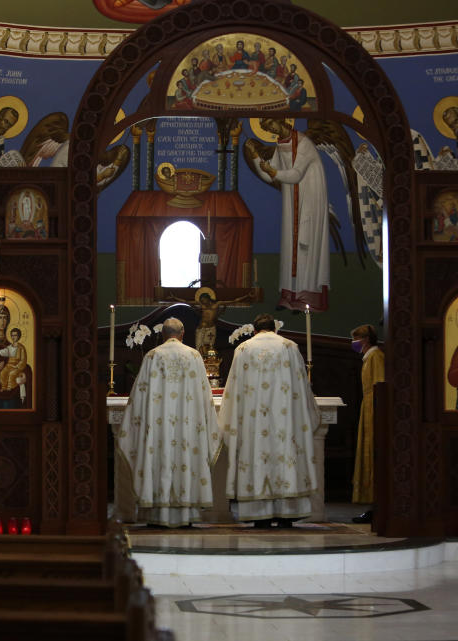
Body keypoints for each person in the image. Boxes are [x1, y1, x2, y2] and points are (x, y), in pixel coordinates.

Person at [116, 318, 220, 528]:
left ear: (163, 335)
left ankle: (158, 515)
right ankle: (186, 514)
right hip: (188, 425)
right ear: (182, 334)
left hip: (159, 426)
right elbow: (204, 396)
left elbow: (139, 397)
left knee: (158, 456)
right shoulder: (194, 355)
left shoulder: (152, 356)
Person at [217, 313, 319, 527]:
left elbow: (233, 391)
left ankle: (259, 516)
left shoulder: (243, 349)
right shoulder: (289, 347)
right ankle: (286, 515)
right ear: (275, 329)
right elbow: (302, 389)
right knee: (285, 457)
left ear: (254, 331)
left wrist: (229, 422)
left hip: (254, 423)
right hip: (285, 421)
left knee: (256, 458)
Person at [246, 118, 330, 311]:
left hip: (309, 199)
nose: (270, 128)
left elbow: (295, 174)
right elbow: (269, 175)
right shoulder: (280, 145)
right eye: (266, 127)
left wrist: (273, 170)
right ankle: (289, 295)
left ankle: (307, 297)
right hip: (292, 199)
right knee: (290, 245)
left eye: (271, 124)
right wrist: (256, 158)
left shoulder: (303, 143)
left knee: (306, 245)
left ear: (282, 121)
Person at [349, 324, 384, 524]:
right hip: (368, 406)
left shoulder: (376, 356)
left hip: (374, 408)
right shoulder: (369, 357)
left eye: (356, 339)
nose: (354, 343)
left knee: (373, 454)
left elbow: (379, 384)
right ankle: (371, 505)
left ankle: (376, 505)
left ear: (365, 340)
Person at [0, 327, 28, 396]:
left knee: (12, 374)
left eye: (15, 335)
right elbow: (4, 351)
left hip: (17, 366)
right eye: (12, 335)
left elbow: (23, 360)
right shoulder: (9, 347)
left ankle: (9, 388)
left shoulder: (21, 348)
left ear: (18, 336)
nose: (13, 337)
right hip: (9, 365)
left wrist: (17, 366)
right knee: (2, 373)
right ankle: (3, 387)